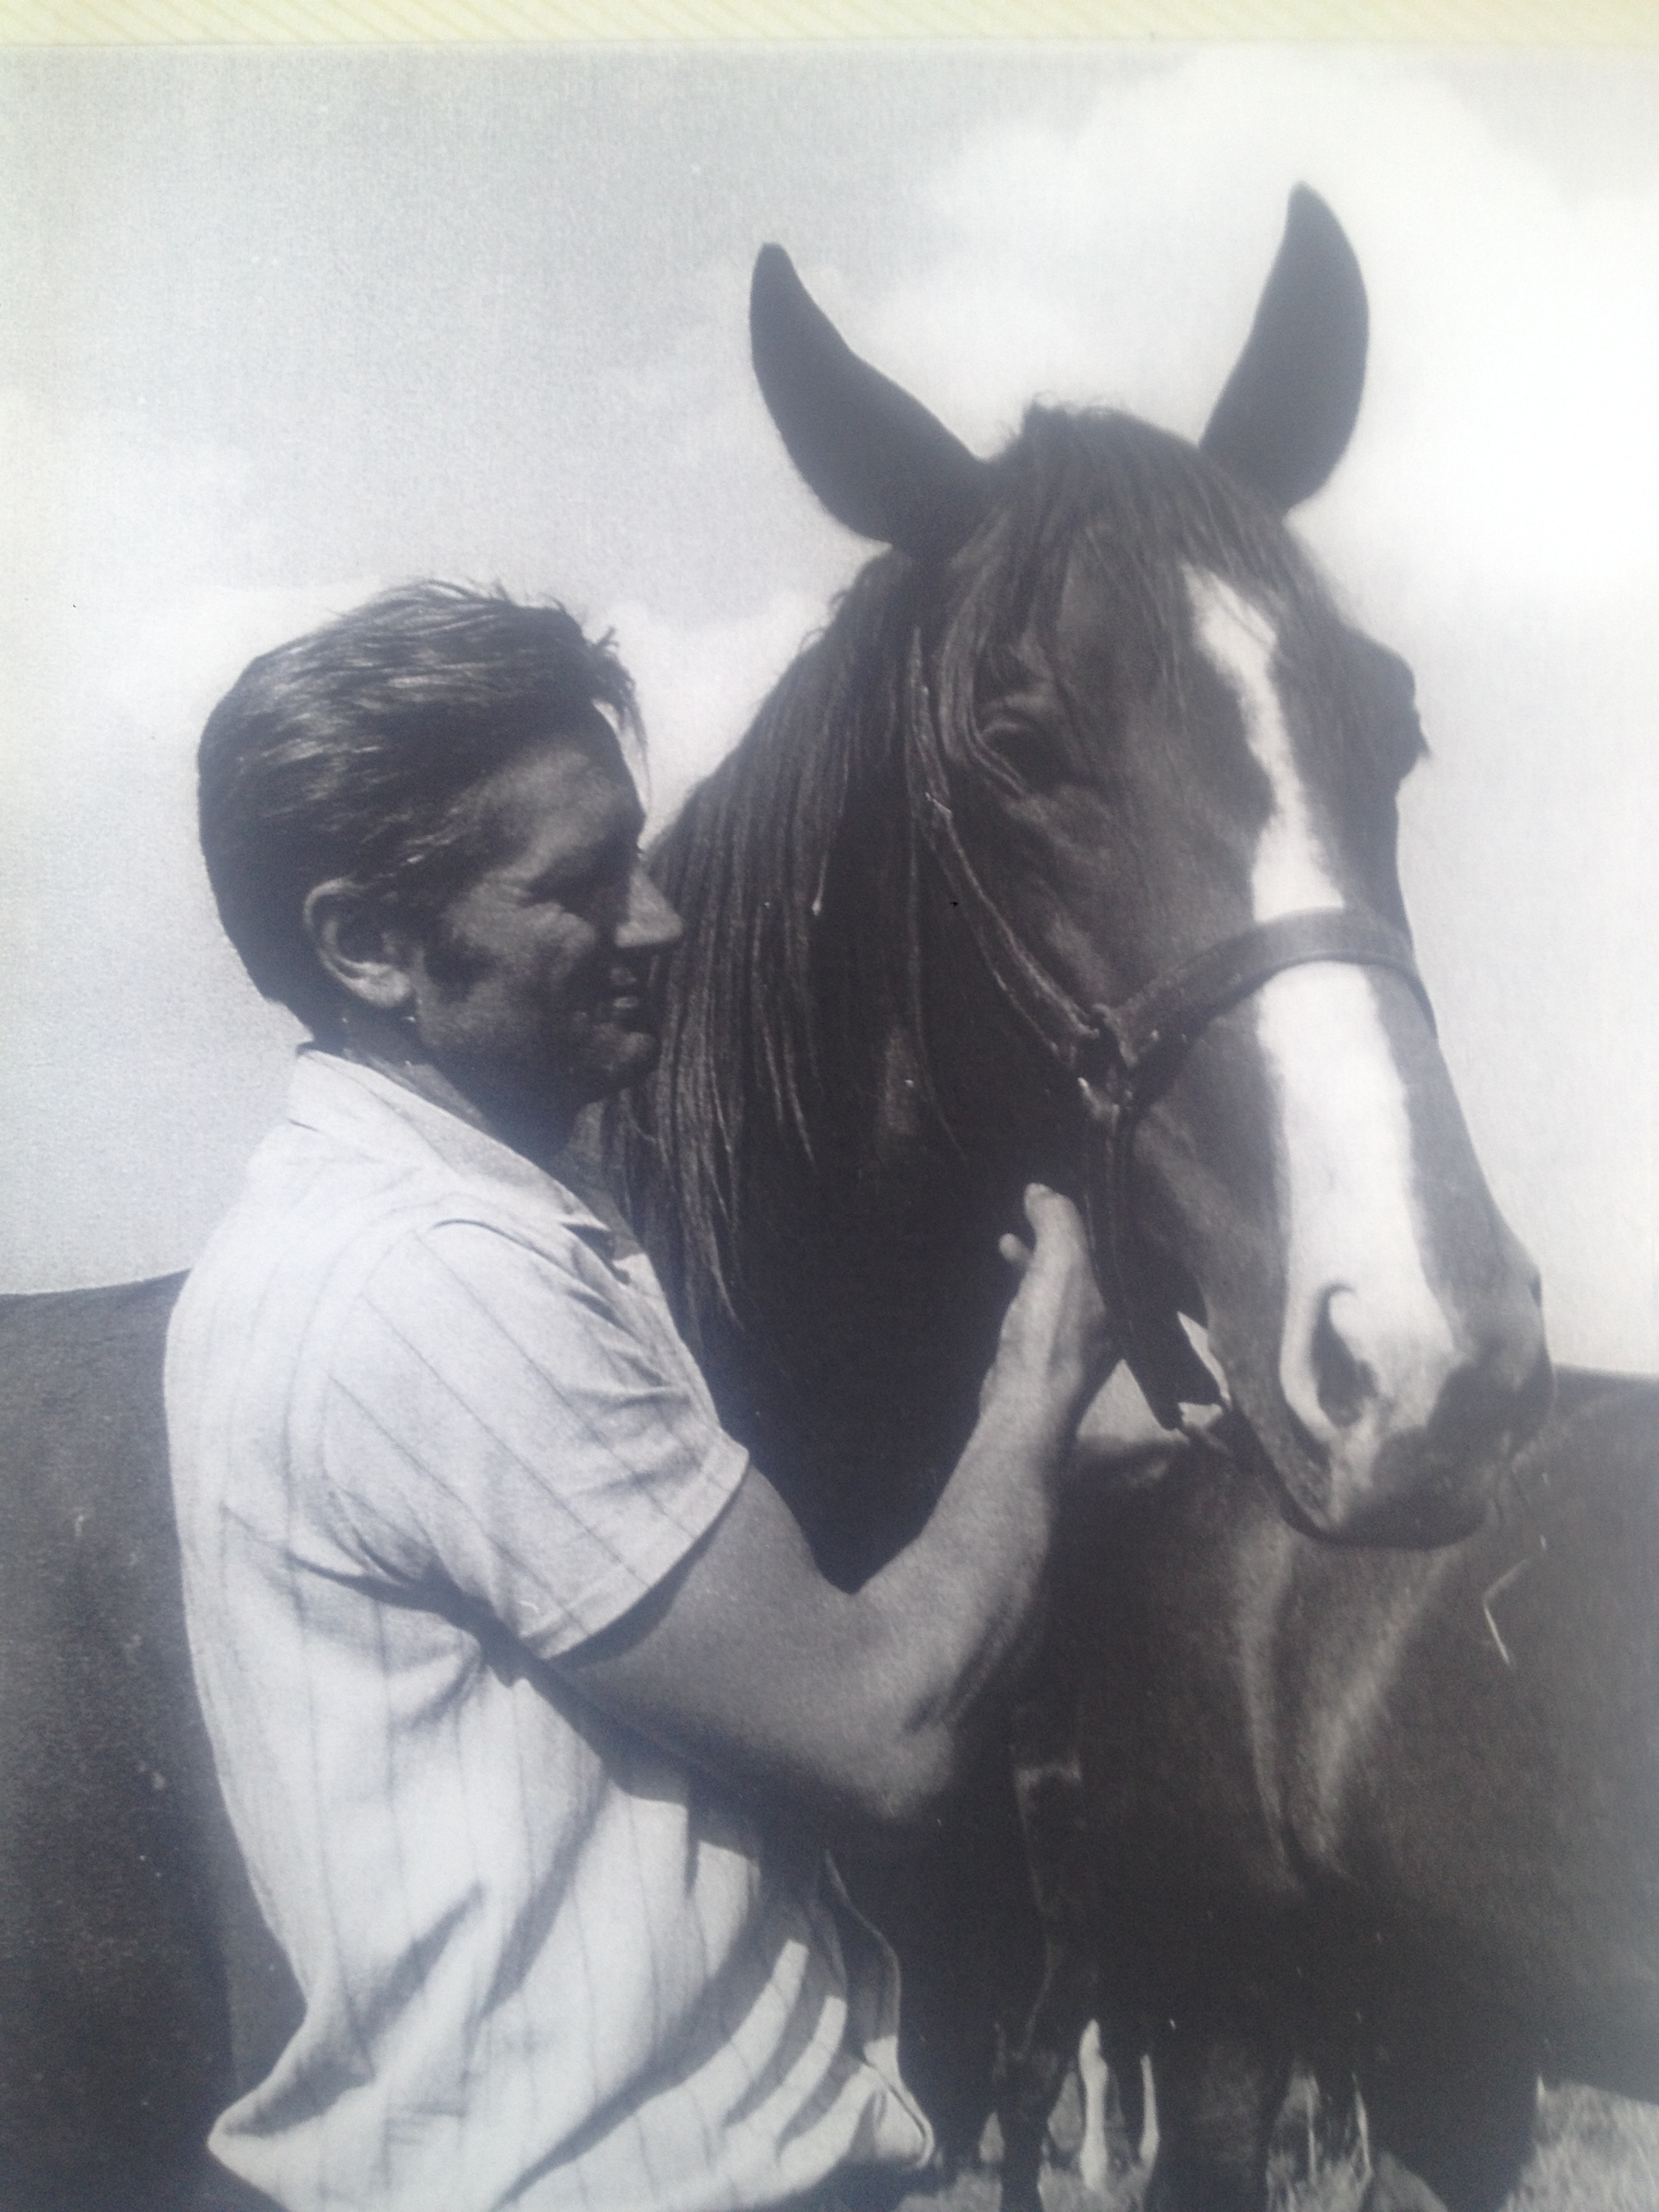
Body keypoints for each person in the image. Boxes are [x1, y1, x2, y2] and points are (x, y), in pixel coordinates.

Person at [166, 582, 1115, 2212]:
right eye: (581, 883)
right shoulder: (438, 1278)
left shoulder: (341, 1226)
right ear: (366, 946)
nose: (660, 921)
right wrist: (1041, 1381)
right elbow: (884, 1730)